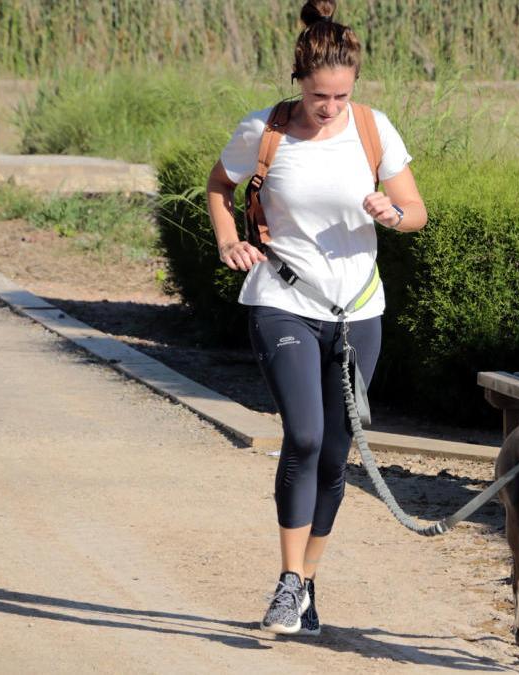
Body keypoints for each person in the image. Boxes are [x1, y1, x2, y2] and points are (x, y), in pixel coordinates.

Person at [204, 0, 426, 636]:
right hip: (283, 301)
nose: (330, 106)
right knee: (302, 437)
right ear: (299, 80)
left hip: (359, 312)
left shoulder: (374, 130)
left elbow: (417, 211)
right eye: (320, 94)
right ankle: (286, 582)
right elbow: (220, 186)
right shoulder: (265, 130)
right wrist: (228, 242)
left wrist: (392, 213)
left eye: (341, 94)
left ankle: (305, 585)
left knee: (336, 452)